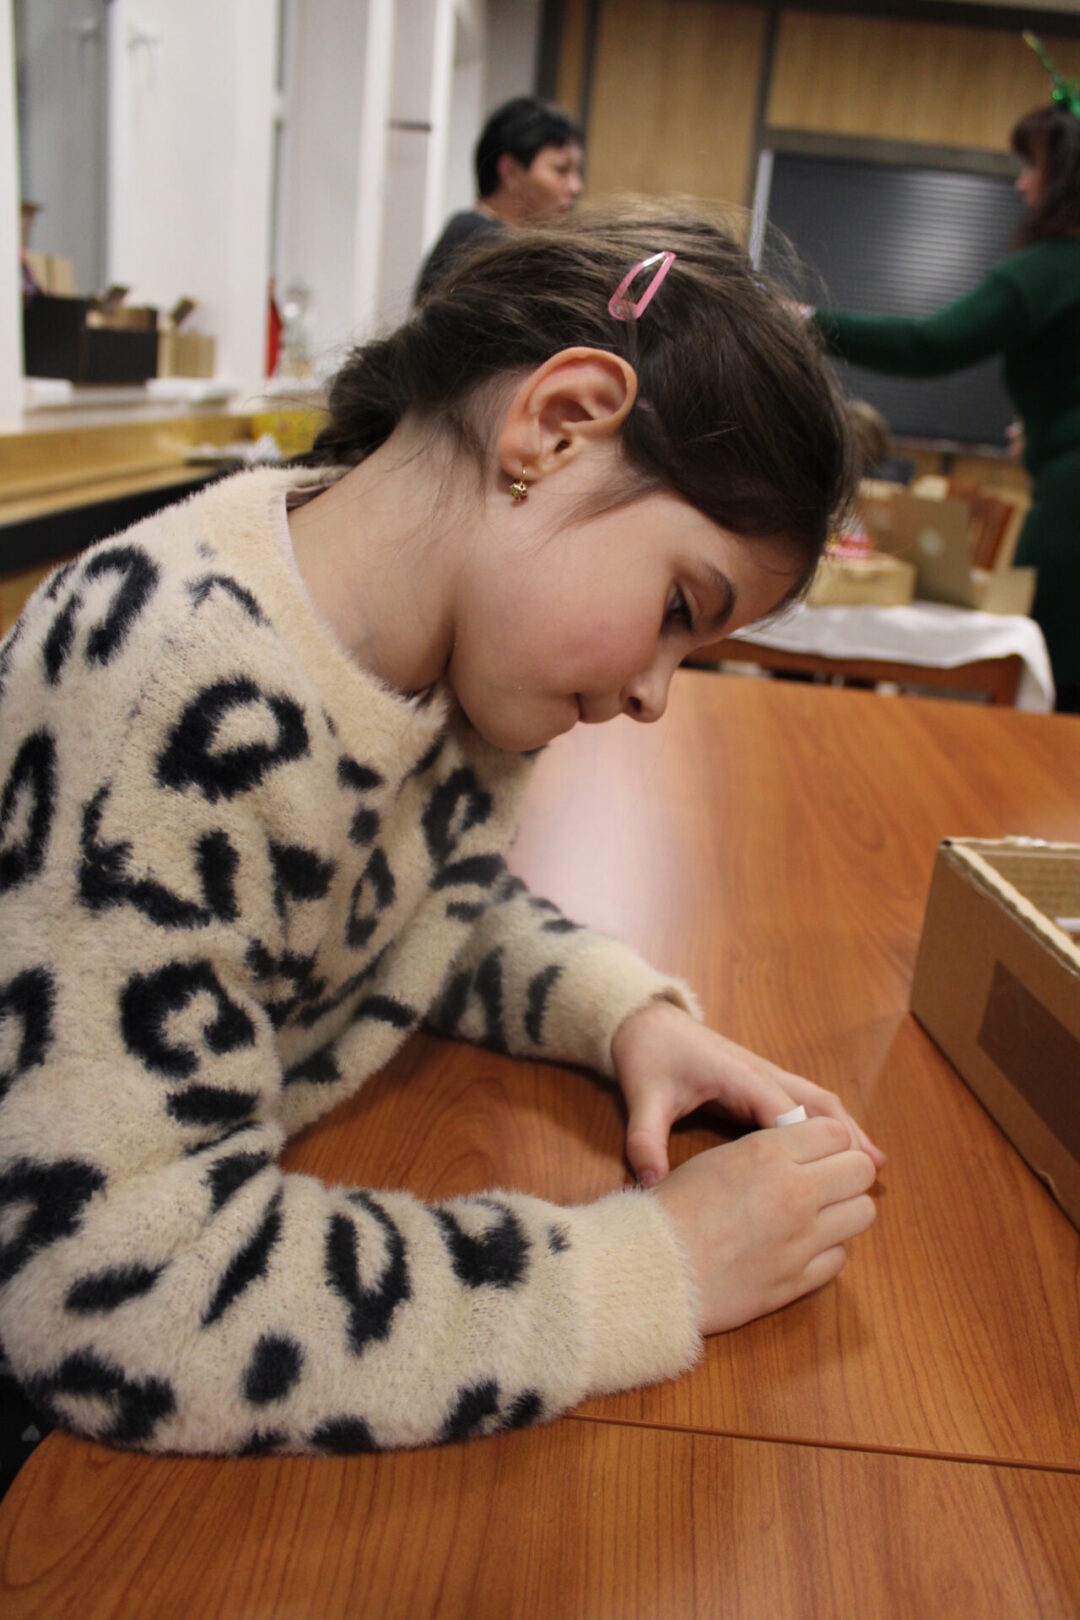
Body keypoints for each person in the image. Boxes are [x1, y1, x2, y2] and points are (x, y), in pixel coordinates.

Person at [0, 203, 883, 1460]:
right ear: (557, 425)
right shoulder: (169, 687)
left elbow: (388, 907)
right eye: (679, 609)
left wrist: (627, 1017)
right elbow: (113, 1297)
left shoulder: (420, 648)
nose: (653, 695)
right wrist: (654, 1268)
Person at [810, 57, 1080, 711]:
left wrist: (810, 320)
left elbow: (930, 345)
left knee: (1054, 684)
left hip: (1072, 511)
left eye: (1034, 168)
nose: (1022, 183)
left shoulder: (1048, 270)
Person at [414, 95, 584, 301]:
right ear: (510, 171)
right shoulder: (484, 241)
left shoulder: (475, 231)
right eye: (561, 170)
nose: (575, 187)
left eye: (576, 172)